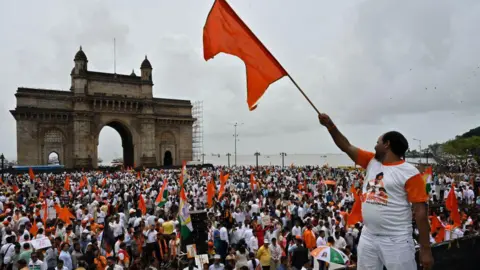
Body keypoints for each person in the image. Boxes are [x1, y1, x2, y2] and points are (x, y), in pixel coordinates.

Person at [318, 113, 434, 269]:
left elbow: (420, 212)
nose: (374, 145)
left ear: (387, 144)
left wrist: (425, 250)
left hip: (397, 240)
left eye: (377, 142)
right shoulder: (372, 161)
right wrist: (330, 126)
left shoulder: (410, 173)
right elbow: (346, 146)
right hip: (368, 236)